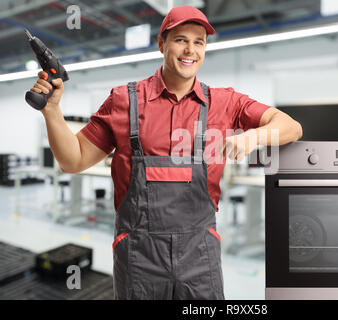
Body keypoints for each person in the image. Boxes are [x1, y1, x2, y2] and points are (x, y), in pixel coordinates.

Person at [29, 5, 302, 300]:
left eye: (199, 42)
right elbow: (73, 160)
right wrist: (53, 111)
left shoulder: (227, 103)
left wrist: (253, 138)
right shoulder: (124, 100)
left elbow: (290, 126)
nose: (191, 50)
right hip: (139, 257)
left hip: (200, 254)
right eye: (181, 39)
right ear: (162, 44)